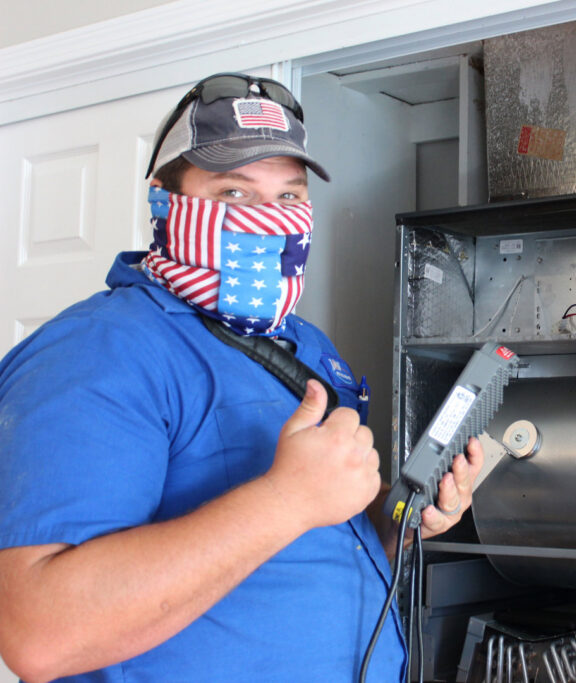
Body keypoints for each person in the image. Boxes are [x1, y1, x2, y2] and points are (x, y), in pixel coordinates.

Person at [0, 73, 482, 683]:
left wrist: (403, 521)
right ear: (163, 200)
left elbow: (319, 543)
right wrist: (285, 499)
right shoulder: (98, 351)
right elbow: (41, 637)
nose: (267, 221)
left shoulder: (308, 345)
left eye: (287, 198)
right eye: (232, 193)